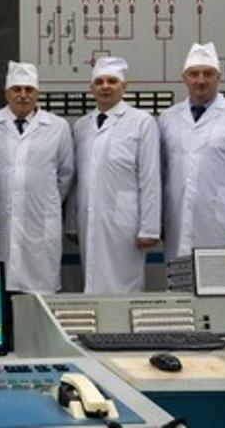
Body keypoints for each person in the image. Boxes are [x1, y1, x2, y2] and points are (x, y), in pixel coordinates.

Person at [159, 42, 225, 265]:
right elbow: (161, 173)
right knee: (180, 282)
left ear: (218, 77)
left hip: (221, 223)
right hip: (176, 221)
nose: (201, 80)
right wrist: (157, 221)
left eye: (208, 73)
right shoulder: (167, 118)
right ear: (184, 78)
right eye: (194, 74)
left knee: (217, 282)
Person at [0, 61, 74, 294]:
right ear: (6, 93)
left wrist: (43, 199)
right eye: (16, 89)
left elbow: (65, 175)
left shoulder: (58, 127)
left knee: (39, 297)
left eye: (29, 89)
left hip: (40, 221)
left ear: (37, 93)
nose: (23, 95)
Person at [67, 56, 160, 294]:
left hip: (126, 223)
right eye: (99, 82)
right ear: (91, 89)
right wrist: (72, 223)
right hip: (89, 220)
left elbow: (150, 178)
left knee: (124, 285)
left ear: (124, 87)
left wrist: (150, 228)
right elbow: (77, 179)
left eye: (112, 81)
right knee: (92, 281)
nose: (105, 86)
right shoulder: (81, 126)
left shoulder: (142, 122)